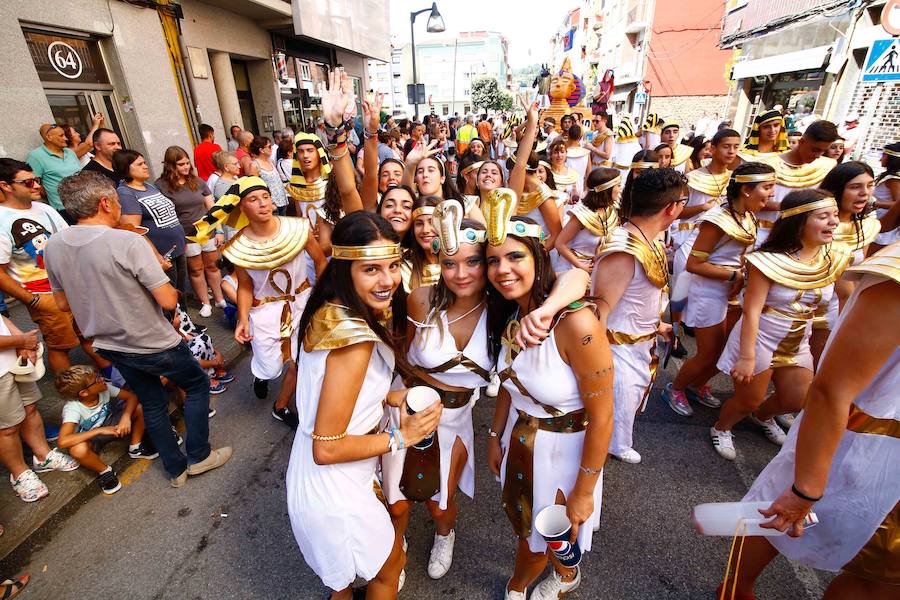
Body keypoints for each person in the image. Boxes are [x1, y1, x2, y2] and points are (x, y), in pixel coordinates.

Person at [721, 241, 899, 600]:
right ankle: (735, 588)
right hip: (862, 433)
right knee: (780, 511)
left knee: (885, 570)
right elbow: (832, 388)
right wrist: (806, 488)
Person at [287, 211, 442, 599]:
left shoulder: (326, 308)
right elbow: (328, 447)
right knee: (390, 568)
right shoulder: (353, 340)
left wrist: (390, 396)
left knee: (340, 581)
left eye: (392, 265)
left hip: (316, 476)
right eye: (370, 268)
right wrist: (400, 437)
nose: (387, 279)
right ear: (344, 268)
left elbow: (324, 390)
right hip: (335, 485)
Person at [47, 171, 232, 488]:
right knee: (198, 385)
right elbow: (166, 297)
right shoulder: (127, 240)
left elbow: (63, 305)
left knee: (152, 401)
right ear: (105, 202)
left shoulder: (53, 245)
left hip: (109, 345)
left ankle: (176, 470)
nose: (119, 206)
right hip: (153, 341)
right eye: (117, 200)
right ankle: (199, 456)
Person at [484, 202, 613, 600]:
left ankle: (517, 586)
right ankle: (567, 572)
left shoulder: (576, 323)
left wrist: (584, 491)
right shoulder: (512, 316)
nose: (502, 269)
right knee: (533, 527)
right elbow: (510, 382)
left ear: (539, 257)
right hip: (521, 443)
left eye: (515, 256)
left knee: (539, 537)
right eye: (492, 261)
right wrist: (494, 433)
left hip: (565, 451)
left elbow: (604, 417)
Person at [711, 189, 853, 461]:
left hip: (798, 339)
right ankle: (722, 427)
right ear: (798, 221)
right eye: (823, 216)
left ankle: (763, 417)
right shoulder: (766, 260)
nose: (834, 222)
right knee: (747, 399)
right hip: (761, 336)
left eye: (834, 215)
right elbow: (751, 311)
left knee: (796, 399)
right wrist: (746, 357)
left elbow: (845, 297)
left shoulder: (836, 258)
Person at [192, 176, 326, 425]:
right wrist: (243, 319)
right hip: (265, 312)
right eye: (253, 199)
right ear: (242, 207)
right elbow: (245, 286)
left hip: (302, 303)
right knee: (270, 366)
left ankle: (281, 406)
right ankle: (262, 374)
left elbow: (320, 261)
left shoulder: (298, 228)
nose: (263, 203)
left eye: (265, 197)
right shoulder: (238, 246)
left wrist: (321, 296)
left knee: (300, 362)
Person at [662, 162, 775, 416]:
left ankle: (697, 383)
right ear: (746, 190)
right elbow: (694, 264)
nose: (772, 194)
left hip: (733, 291)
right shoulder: (717, 220)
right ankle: (675, 387)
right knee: (708, 354)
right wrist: (735, 274)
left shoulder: (747, 216)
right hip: (709, 293)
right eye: (767, 187)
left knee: (726, 352)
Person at [591, 168, 682, 465]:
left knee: (626, 404)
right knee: (616, 404)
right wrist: (599, 365)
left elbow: (635, 299)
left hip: (640, 344)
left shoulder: (650, 240)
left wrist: (657, 325)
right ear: (671, 208)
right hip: (617, 350)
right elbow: (600, 311)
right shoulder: (624, 249)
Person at [0, 158, 108, 374]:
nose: (38, 185)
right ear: (6, 186)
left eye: (37, 180)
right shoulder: (2, 220)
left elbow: (67, 241)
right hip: (44, 296)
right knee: (61, 347)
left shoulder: (44, 209)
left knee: (91, 335)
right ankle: (71, 395)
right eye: (29, 182)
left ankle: (113, 377)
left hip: (72, 288)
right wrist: (34, 300)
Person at [669, 129, 741, 337]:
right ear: (713, 149)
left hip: (724, 240)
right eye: (726, 146)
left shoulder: (735, 179)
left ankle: (702, 326)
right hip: (692, 236)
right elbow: (676, 212)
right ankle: (674, 332)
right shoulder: (692, 178)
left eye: (735, 147)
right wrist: (701, 209)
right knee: (682, 284)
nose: (731, 151)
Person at [0, 313, 79, 502]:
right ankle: (19, 474)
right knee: (7, 428)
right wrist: (22, 340)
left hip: (14, 360)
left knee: (30, 409)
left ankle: (43, 456)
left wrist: (22, 343)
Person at [55, 364, 155, 495]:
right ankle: (104, 471)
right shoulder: (73, 409)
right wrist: (98, 431)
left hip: (110, 426)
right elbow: (62, 441)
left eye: (99, 375)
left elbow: (131, 397)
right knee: (77, 450)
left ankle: (135, 447)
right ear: (84, 393)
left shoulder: (104, 388)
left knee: (139, 408)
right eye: (96, 380)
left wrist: (125, 418)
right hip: (89, 438)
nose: (102, 379)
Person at [155, 146, 225, 317]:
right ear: (171, 165)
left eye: (187, 163)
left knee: (213, 266)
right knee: (195, 269)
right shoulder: (161, 185)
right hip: (185, 234)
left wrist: (219, 230)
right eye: (181, 164)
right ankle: (205, 302)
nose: (186, 167)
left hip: (206, 230)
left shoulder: (197, 181)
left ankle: (219, 298)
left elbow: (212, 207)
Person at [113, 149, 188, 293]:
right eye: (139, 164)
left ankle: (183, 314)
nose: (145, 166)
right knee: (169, 292)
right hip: (161, 254)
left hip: (176, 247)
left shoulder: (149, 186)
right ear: (125, 168)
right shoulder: (125, 192)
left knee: (180, 288)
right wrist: (157, 256)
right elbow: (133, 230)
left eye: (145, 163)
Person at [755, 119, 838, 247]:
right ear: (802, 141)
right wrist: (791, 206)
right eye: (814, 150)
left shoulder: (826, 166)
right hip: (761, 231)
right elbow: (748, 200)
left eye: (823, 151)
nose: (817, 155)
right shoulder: (766, 165)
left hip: (801, 236)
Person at [554, 167, 620, 272]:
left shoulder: (610, 209)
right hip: (571, 270)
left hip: (594, 268)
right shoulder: (581, 215)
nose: (620, 189)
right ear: (607, 189)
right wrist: (580, 266)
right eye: (618, 186)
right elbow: (559, 244)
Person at [26, 123, 84, 219]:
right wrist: (51, 194)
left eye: (65, 135)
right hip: (65, 209)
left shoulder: (69, 152)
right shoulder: (36, 156)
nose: (66, 138)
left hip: (86, 202)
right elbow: (33, 183)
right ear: (49, 137)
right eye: (61, 136)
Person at [247, 136, 289, 215]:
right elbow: (254, 188)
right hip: (270, 204)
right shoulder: (254, 166)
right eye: (269, 147)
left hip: (282, 201)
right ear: (261, 150)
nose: (272, 149)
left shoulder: (270, 161)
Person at [872, 143, 900, 248]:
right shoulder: (889, 176)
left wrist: (874, 203)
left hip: (885, 221)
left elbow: (897, 204)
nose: (881, 159)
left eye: (883, 155)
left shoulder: (894, 180)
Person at [564, 125, 591, 198]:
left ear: (568, 135)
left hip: (564, 187)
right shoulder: (586, 153)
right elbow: (589, 173)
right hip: (580, 188)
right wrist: (586, 190)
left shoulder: (564, 153)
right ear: (580, 136)